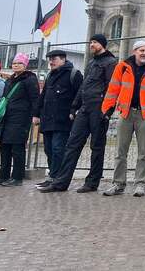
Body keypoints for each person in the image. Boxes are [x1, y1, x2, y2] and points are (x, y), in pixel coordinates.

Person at [39, 34, 117, 193]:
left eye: (94, 42)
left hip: (99, 109)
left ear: (102, 44)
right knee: (72, 144)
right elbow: (83, 87)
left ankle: (92, 182)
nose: (91, 45)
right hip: (85, 108)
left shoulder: (111, 62)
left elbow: (112, 87)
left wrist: (108, 110)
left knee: (97, 146)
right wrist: (74, 107)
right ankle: (61, 182)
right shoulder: (91, 62)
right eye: (91, 42)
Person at [102, 40, 145, 197]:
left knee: (143, 152)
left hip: (144, 115)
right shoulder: (122, 68)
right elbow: (113, 88)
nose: (144, 53)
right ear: (134, 51)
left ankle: (140, 184)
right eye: (141, 50)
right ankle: (118, 183)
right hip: (126, 114)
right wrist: (106, 108)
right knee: (120, 151)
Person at [33, 49, 83, 189]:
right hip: (48, 119)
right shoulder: (50, 75)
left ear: (63, 59)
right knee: (48, 149)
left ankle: (58, 179)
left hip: (63, 120)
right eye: (49, 59)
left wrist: (74, 111)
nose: (51, 62)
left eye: (54, 59)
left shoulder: (74, 74)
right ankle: (52, 177)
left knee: (58, 149)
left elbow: (80, 95)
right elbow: (43, 96)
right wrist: (36, 114)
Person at [0, 53, 39, 186]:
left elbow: (35, 98)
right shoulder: (10, 80)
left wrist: (36, 115)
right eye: (14, 63)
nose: (16, 65)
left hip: (21, 118)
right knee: (4, 147)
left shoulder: (29, 79)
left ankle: (17, 177)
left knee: (17, 148)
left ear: (25, 65)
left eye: (19, 63)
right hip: (7, 118)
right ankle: (3, 176)